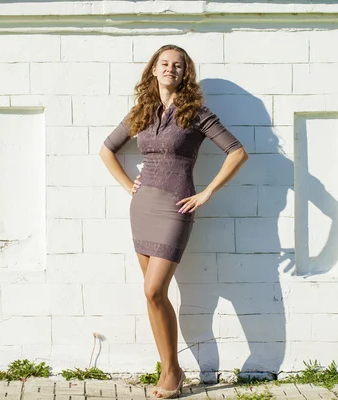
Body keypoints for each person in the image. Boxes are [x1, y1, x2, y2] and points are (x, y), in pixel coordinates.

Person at [99, 44, 249, 399]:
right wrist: (127, 185)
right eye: (164, 64)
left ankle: (173, 371)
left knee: (153, 290)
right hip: (143, 206)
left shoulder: (196, 112)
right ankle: (171, 370)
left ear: (186, 74)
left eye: (178, 65)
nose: (170, 69)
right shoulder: (141, 112)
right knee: (155, 296)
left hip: (176, 209)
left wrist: (208, 192)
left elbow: (237, 152)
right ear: (154, 70)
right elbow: (107, 149)